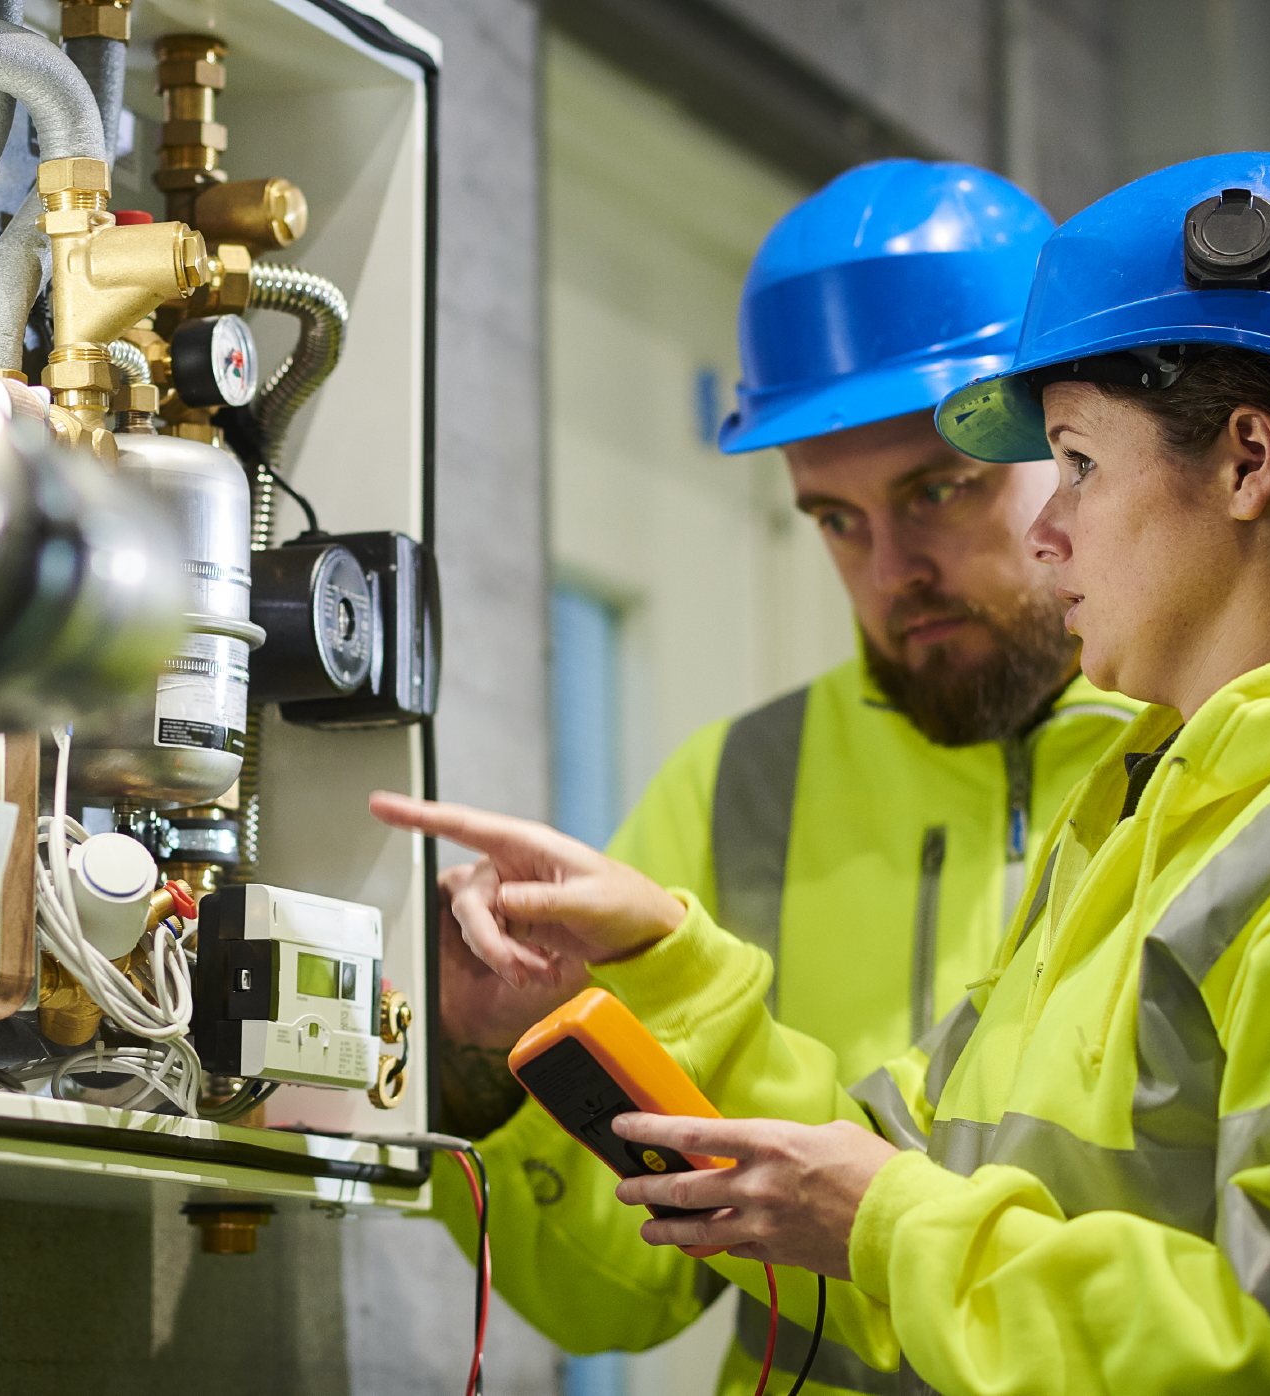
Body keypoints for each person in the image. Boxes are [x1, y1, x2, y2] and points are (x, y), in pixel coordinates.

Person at [388, 151, 1270, 1394]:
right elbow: (892, 1180)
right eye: (835, 520)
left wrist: (890, 1225)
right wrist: (669, 966)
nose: (1044, 530)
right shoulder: (1162, 804)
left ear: (1248, 461)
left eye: (1072, 462)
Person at [428, 159, 1136, 1394]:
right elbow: (618, 1294)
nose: (891, 569)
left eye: (938, 491)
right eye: (835, 519)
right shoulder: (729, 790)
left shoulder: (1212, 757)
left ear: (1067, 443)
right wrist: (484, 1070)